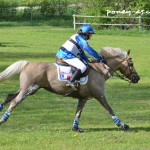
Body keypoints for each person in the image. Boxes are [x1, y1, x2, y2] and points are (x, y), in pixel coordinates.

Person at [56, 24, 106, 88]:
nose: (91, 36)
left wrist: (88, 60)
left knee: (84, 63)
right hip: (66, 56)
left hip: (64, 54)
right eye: (90, 34)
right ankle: (71, 82)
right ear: (87, 33)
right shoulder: (81, 39)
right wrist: (100, 58)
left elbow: (82, 54)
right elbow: (89, 50)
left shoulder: (78, 37)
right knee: (83, 67)